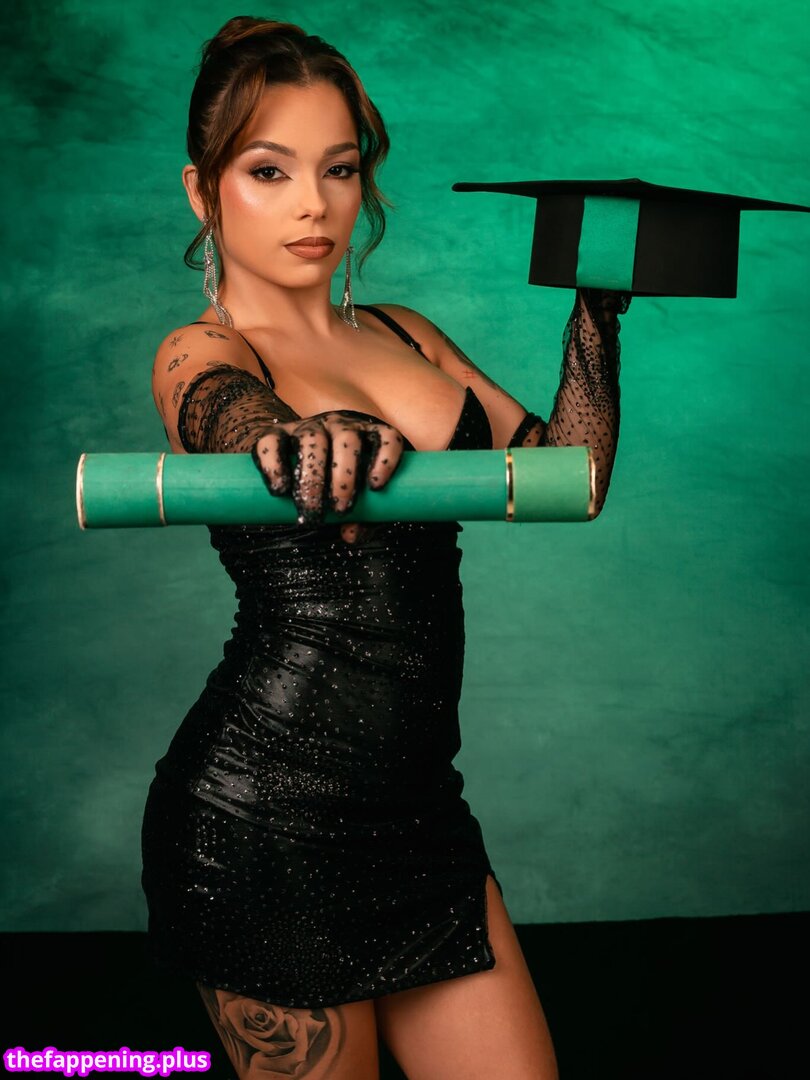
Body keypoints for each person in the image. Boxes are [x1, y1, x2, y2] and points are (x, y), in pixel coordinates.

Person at [140, 16, 630, 1080]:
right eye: (269, 171)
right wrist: (294, 436)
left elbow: (570, 478)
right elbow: (221, 411)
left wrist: (597, 318)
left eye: (339, 168)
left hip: (417, 814)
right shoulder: (208, 347)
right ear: (203, 192)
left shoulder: (406, 335)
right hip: (263, 818)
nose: (313, 204)